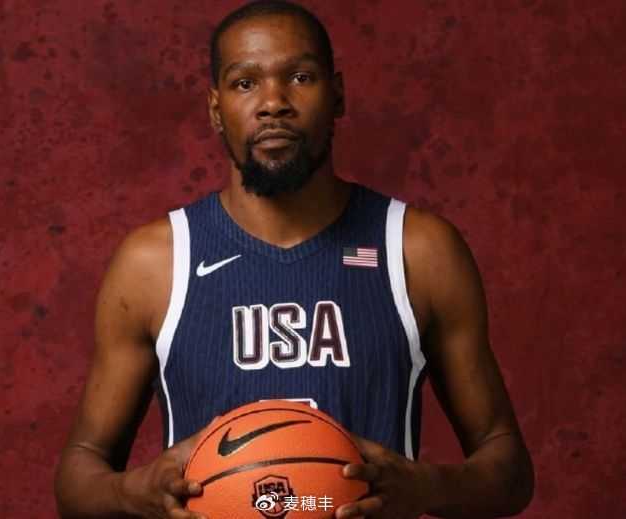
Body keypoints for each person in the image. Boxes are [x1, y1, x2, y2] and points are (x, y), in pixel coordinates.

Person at [54, 1, 534, 518]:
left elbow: (509, 469)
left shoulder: (417, 249)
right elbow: (78, 476)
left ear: (338, 94)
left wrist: (426, 487)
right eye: (245, 83)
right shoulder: (154, 263)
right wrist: (134, 492)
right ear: (215, 109)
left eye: (300, 77)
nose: (273, 103)